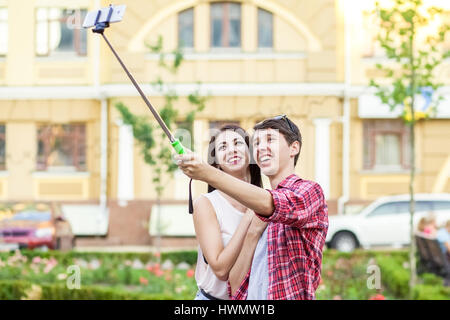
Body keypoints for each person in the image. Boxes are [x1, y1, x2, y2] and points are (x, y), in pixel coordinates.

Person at [176, 115, 329, 300]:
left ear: (293, 147)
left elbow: (272, 203)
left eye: (270, 140)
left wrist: (208, 173)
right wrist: (251, 233)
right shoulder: (256, 210)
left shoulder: (309, 192)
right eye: (256, 142)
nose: (261, 147)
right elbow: (235, 285)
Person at [192, 124, 263, 300]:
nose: (232, 150)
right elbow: (220, 270)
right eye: (223, 147)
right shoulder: (206, 204)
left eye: (238, 143)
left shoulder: (265, 200)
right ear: (216, 163)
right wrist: (248, 217)